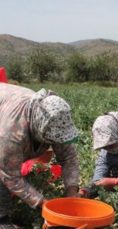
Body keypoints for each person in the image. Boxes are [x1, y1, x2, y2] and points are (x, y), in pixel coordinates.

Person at [0, 83, 80, 227]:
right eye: (50, 138)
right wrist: (43, 204)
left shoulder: (55, 119)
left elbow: (69, 157)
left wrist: (71, 190)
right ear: (38, 128)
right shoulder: (10, 135)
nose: (55, 142)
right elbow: (10, 176)